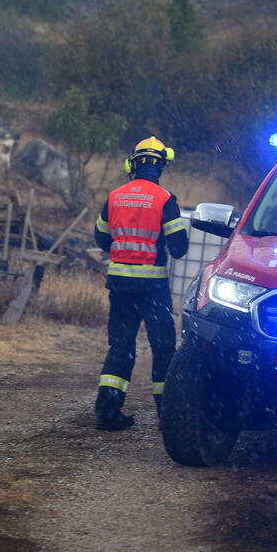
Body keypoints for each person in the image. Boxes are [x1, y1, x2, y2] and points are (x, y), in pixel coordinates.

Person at [94, 136, 188, 430]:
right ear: (161, 166)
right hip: (152, 288)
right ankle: (167, 415)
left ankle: (107, 413)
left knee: (121, 346)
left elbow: (101, 238)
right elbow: (179, 248)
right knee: (163, 349)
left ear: (132, 164)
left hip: (120, 283)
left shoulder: (115, 196)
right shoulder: (165, 199)